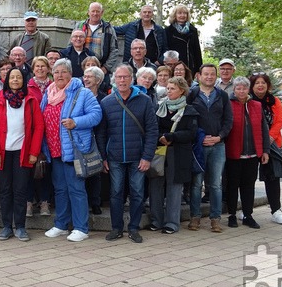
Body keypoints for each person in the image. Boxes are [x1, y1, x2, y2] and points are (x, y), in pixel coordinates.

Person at [41, 59, 102, 242]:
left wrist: (76, 122)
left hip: (74, 149)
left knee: (76, 188)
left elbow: (96, 114)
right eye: (56, 72)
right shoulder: (48, 93)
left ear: (70, 73)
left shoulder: (82, 93)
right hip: (54, 149)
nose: (59, 75)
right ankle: (61, 224)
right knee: (60, 189)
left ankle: (81, 228)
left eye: (63, 72)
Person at [97, 64, 158, 243]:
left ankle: (133, 228)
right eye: (119, 77)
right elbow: (101, 133)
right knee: (116, 193)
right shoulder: (107, 102)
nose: (122, 80)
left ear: (132, 79)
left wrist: (147, 157)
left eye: (125, 77)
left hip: (138, 157)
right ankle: (116, 228)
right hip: (114, 157)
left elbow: (152, 131)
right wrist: (103, 157)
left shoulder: (144, 100)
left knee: (137, 193)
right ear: (114, 80)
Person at [0, 67, 44, 242]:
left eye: (19, 77)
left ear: (23, 80)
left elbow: (39, 127)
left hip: (22, 152)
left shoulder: (30, 100)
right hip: (2, 153)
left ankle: (20, 226)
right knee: (5, 191)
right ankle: (6, 226)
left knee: (20, 190)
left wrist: (34, 152)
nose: (15, 80)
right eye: (12, 77)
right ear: (7, 81)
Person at [148, 77, 198, 234]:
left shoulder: (189, 110)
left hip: (178, 154)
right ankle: (156, 220)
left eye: (172, 88)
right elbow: (151, 128)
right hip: (159, 151)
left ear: (182, 90)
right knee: (155, 186)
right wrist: (162, 137)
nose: (168, 91)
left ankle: (172, 222)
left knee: (174, 188)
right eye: (168, 88)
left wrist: (171, 137)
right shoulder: (159, 107)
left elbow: (191, 133)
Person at [186, 64, 233, 233]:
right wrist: (199, 136)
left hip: (218, 145)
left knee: (215, 184)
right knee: (196, 184)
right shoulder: (192, 94)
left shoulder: (222, 95)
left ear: (216, 76)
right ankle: (195, 217)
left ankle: (215, 219)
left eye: (212, 74)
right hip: (199, 146)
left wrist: (219, 137)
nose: (209, 77)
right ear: (199, 76)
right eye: (206, 74)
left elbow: (228, 121)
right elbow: (188, 118)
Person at [225, 77, 269, 229]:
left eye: (244, 88)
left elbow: (264, 129)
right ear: (234, 90)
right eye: (238, 88)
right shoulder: (228, 105)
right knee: (232, 185)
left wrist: (265, 151)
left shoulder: (256, 105)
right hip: (233, 153)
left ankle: (248, 215)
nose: (241, 91)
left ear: (248, 90)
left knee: (248, 186)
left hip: (252, 154)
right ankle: (231, 215)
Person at [250, 73, 282, 225]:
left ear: (268, 85)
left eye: (263, 83)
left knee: (272, 177)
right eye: (257, 83)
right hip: (252, 143)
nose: (260, 85)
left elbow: (279, 121)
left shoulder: (274, 101)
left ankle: (276, 210)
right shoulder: (248, 101)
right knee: (248, 177)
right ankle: (246, 210)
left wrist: (269, 138)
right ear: (252, 86)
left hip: (272, 143)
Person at [26, 56, 53, 217]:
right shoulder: (28, 87)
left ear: (48, 69)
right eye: (37, 66)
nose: (40, 69)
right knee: (30, 167)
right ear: (33, 69)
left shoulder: (54, 86)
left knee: (46, 168)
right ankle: (29, 202)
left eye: (43, 66)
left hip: (49, 134)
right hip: (32, 132)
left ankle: (44, 202)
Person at [82, 66, 107, 215]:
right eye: (85, 76)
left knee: (95, 173)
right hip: (82, 139)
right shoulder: (79, 95)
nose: (86, 79)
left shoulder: (104, 98)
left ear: (98, 80)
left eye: (89, 77)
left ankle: (95, 203)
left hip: (98, 138)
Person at [74, 2, 120, 77]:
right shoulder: (80, 26)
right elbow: (71, 44)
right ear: (88, 12)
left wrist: (106, 68)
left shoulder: (108, 28)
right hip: (80, 67)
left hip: (100, 69)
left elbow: (114, 50)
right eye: (93, 11)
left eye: (98, 11)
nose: (95, 13)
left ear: (102, 13)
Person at [165, 4, 203, 76]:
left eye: (185, 13)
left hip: (190, 65)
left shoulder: (193, 30)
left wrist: (199, 69)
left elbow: (197, 50)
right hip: (174, 65)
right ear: (175, 15)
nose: (182, 15)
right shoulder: (168, 31)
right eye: (179, 13)